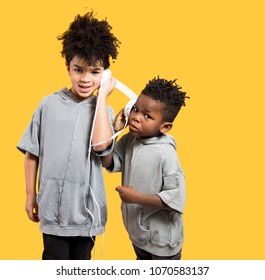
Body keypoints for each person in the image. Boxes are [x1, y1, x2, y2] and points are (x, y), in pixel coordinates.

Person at [17, 11, 121, 260]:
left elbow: (102, 147)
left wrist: (103, 97)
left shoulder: (103, 111)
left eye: (95, 72)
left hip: (86, 212)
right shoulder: (47, 105)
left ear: (105, 74)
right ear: (68, 67)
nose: (85, 79)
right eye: (78, 70)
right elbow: (32, 154)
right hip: (53, 208)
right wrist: (31, 195)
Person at [102, 77, 188, 260]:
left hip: (162, 243)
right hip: (140, 236)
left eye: (147, 116)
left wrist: (136, 198)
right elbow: (107, 160)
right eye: (135, 109)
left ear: (165, 127)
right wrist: (114, 131)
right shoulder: (130, 140)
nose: (136, 117)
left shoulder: (166, 154)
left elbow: (176, 198)